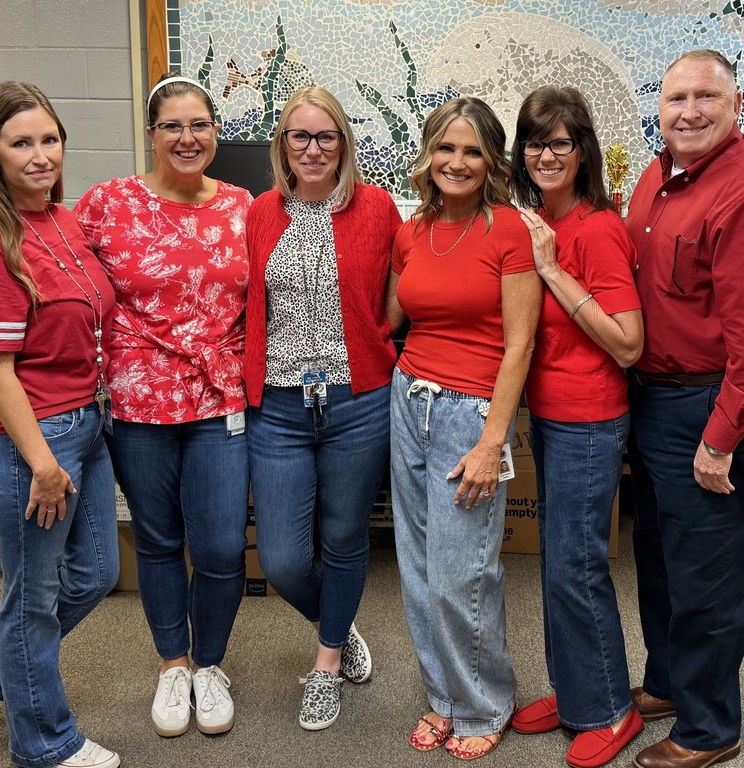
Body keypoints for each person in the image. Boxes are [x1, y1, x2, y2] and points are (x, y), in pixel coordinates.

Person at [624, 50, 744, 768]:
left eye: (706, 96)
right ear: (659, 107)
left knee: (706, 574)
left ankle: (710, 729)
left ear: (736, 104)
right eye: (675, 98)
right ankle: (670, 682)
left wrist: (721, 439)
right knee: (663, 559)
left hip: (714, 406)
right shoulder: (659, 175)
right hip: (659, 402)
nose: (689, 110)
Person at [0, 81, 120, 768]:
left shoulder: (62, 220)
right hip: (31, 446)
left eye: (50, 139)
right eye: (22, 143)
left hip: (87, 427)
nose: (42, 155)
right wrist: (44, 463)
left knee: (97, 573)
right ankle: (44, 744)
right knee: (35, 598)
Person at [75, 74, 251, 738]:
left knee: (220, 546)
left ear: (214, 132)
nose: (187, 137)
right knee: (156, 540)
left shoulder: (243, 206)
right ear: (151, 134)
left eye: (199, 124)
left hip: (219, 397)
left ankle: (210, 662)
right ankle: (172, 664)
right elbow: (62, 271)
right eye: (172, 126)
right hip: (137, 399)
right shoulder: (107, 203)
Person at [387, 96, 541, 761]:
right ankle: (444, 698)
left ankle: (485, 702)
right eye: (445, 148)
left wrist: (491, 441)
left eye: (472, 151)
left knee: (463, 570)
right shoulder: (412, 228)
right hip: (408, 399)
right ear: (428, 153)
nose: (456, 162)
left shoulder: (509, 230)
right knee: (419, 566)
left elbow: (521, 344)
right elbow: (394, 315)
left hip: (470, 412)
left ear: (491, 162)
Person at [244, 86, 402, 731]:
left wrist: (378, 338)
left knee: (343, 539)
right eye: (300, 137)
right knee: (281, 558)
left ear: (344, 143)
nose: (313, 149)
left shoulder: (378, 208)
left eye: (326, 136)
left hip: (357, 401)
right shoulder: (260, 212)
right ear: (283, 145)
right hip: (277, 407)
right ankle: (333, 619)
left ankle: (327, 662)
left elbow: (401, 291)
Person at [507, 85, 645, 768]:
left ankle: (612, 708)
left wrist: (554, 270)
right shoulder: (536, 220)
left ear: (583, 150)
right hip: (553, 418)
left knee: (579, 566)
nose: (546, 153)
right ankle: (576, 690)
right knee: (556, 566)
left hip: (591, 421)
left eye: (560, 141)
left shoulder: (595, 230)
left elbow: (627, 342)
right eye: (535, 141)